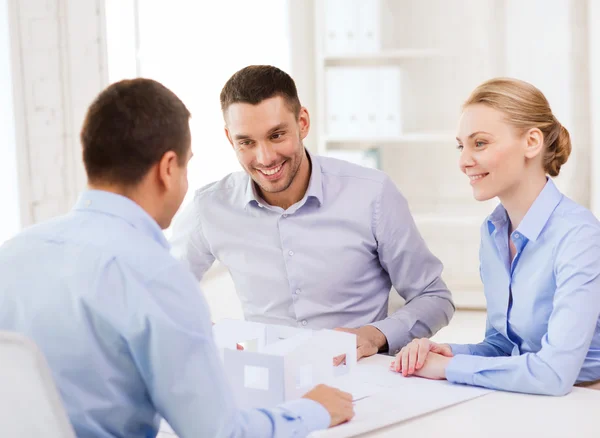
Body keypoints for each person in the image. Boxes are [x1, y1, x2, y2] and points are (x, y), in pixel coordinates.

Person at [0, 78, 354, 437]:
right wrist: (312, 411)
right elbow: (219, 434)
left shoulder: (11, 256)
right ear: (168, 168)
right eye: (186, 167)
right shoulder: (154, 276)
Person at [170, 65, 455, 361]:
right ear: (231, 139)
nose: (265, 157)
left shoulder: (372, 194)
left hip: (362, 378)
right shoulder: (210, 207)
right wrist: (202, 332)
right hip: (267, 384)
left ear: (302, 122)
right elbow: (159, 292)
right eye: (247, 142)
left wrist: (375, 335)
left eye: (277, 135)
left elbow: (434, 297)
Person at [390, 77, 600, 395]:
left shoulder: (579, 236)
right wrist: (444, 353)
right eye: (461, 146)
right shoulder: (493, 233)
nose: (463, 161)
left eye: (480, 143)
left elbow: (554, 374)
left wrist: (448, 368)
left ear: (532, 142)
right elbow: (503, 345)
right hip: (528, 399)